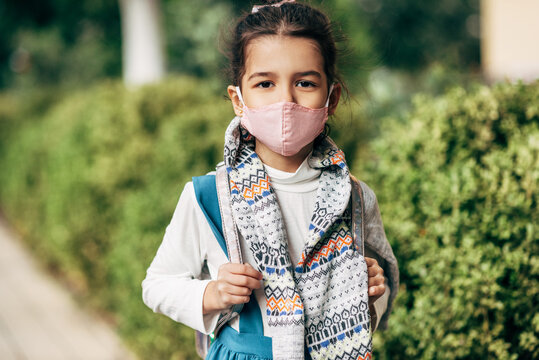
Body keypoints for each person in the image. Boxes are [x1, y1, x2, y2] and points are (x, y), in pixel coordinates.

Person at [141, 1, 398, 359]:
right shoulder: (210, 196)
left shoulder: (352, 198)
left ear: (332, 97)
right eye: (265, 83)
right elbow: (157, 286)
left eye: (305, 82)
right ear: (238, 99)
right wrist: (213, 293)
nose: (286, 101)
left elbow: (374, 304)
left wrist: (371, 292)